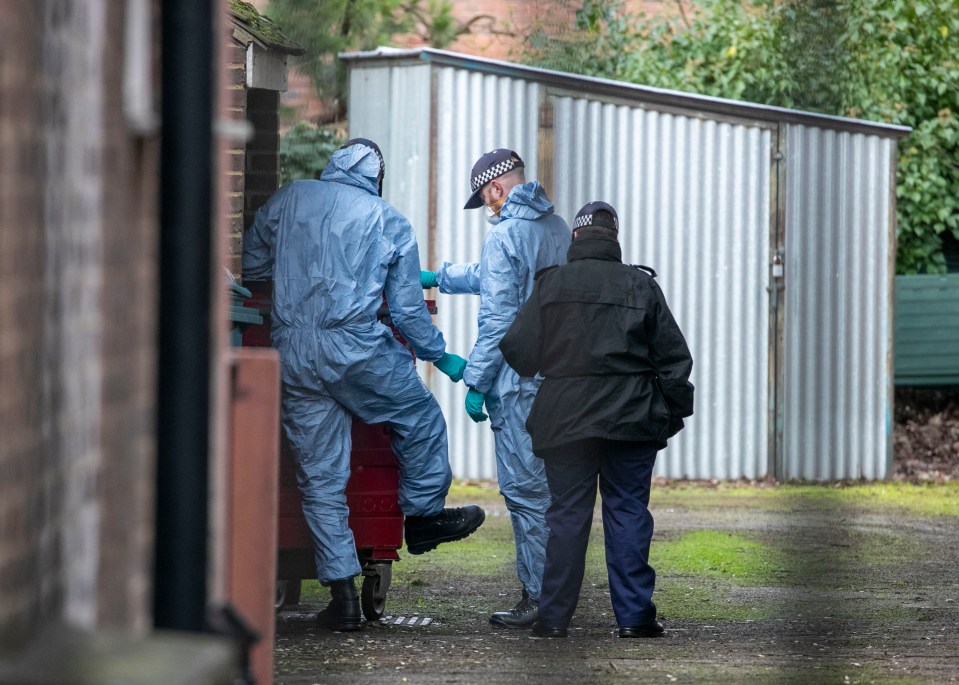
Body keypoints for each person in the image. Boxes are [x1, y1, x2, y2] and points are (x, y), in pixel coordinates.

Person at [243, 138, 486, 632]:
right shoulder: (387, 218)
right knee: (418, 418)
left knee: (319, 477)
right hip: (356, 350)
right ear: (376, 177)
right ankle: (421, 520)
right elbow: (406, 312)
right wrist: (441, 357)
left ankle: (344, 599)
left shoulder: (289, 198)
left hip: (290, 348)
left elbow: (252, 266)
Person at [499, 201, 694, 639]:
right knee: (627, 512)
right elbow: (675, 359)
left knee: (566, 517)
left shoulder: (551, 286)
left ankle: (552, 619)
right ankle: (634, 618)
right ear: (615, 239)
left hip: (566, 421)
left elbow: (517, 349)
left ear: (575, 238)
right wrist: (669, 413)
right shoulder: (640, 286)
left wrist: (555, 364)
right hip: (631, 420)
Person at [420, 149, 570, 628]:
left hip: (518, 384)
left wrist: (476, 382)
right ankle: (559, 593)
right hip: (561, 380)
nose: (487, 205)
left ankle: (539, 599)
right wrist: (439, 277)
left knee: (526, 494)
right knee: (558, 492)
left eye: (485, 197)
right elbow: (494, 279)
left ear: (496, 188)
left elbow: (499, 320)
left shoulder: (505, 234)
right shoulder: (557, 229)